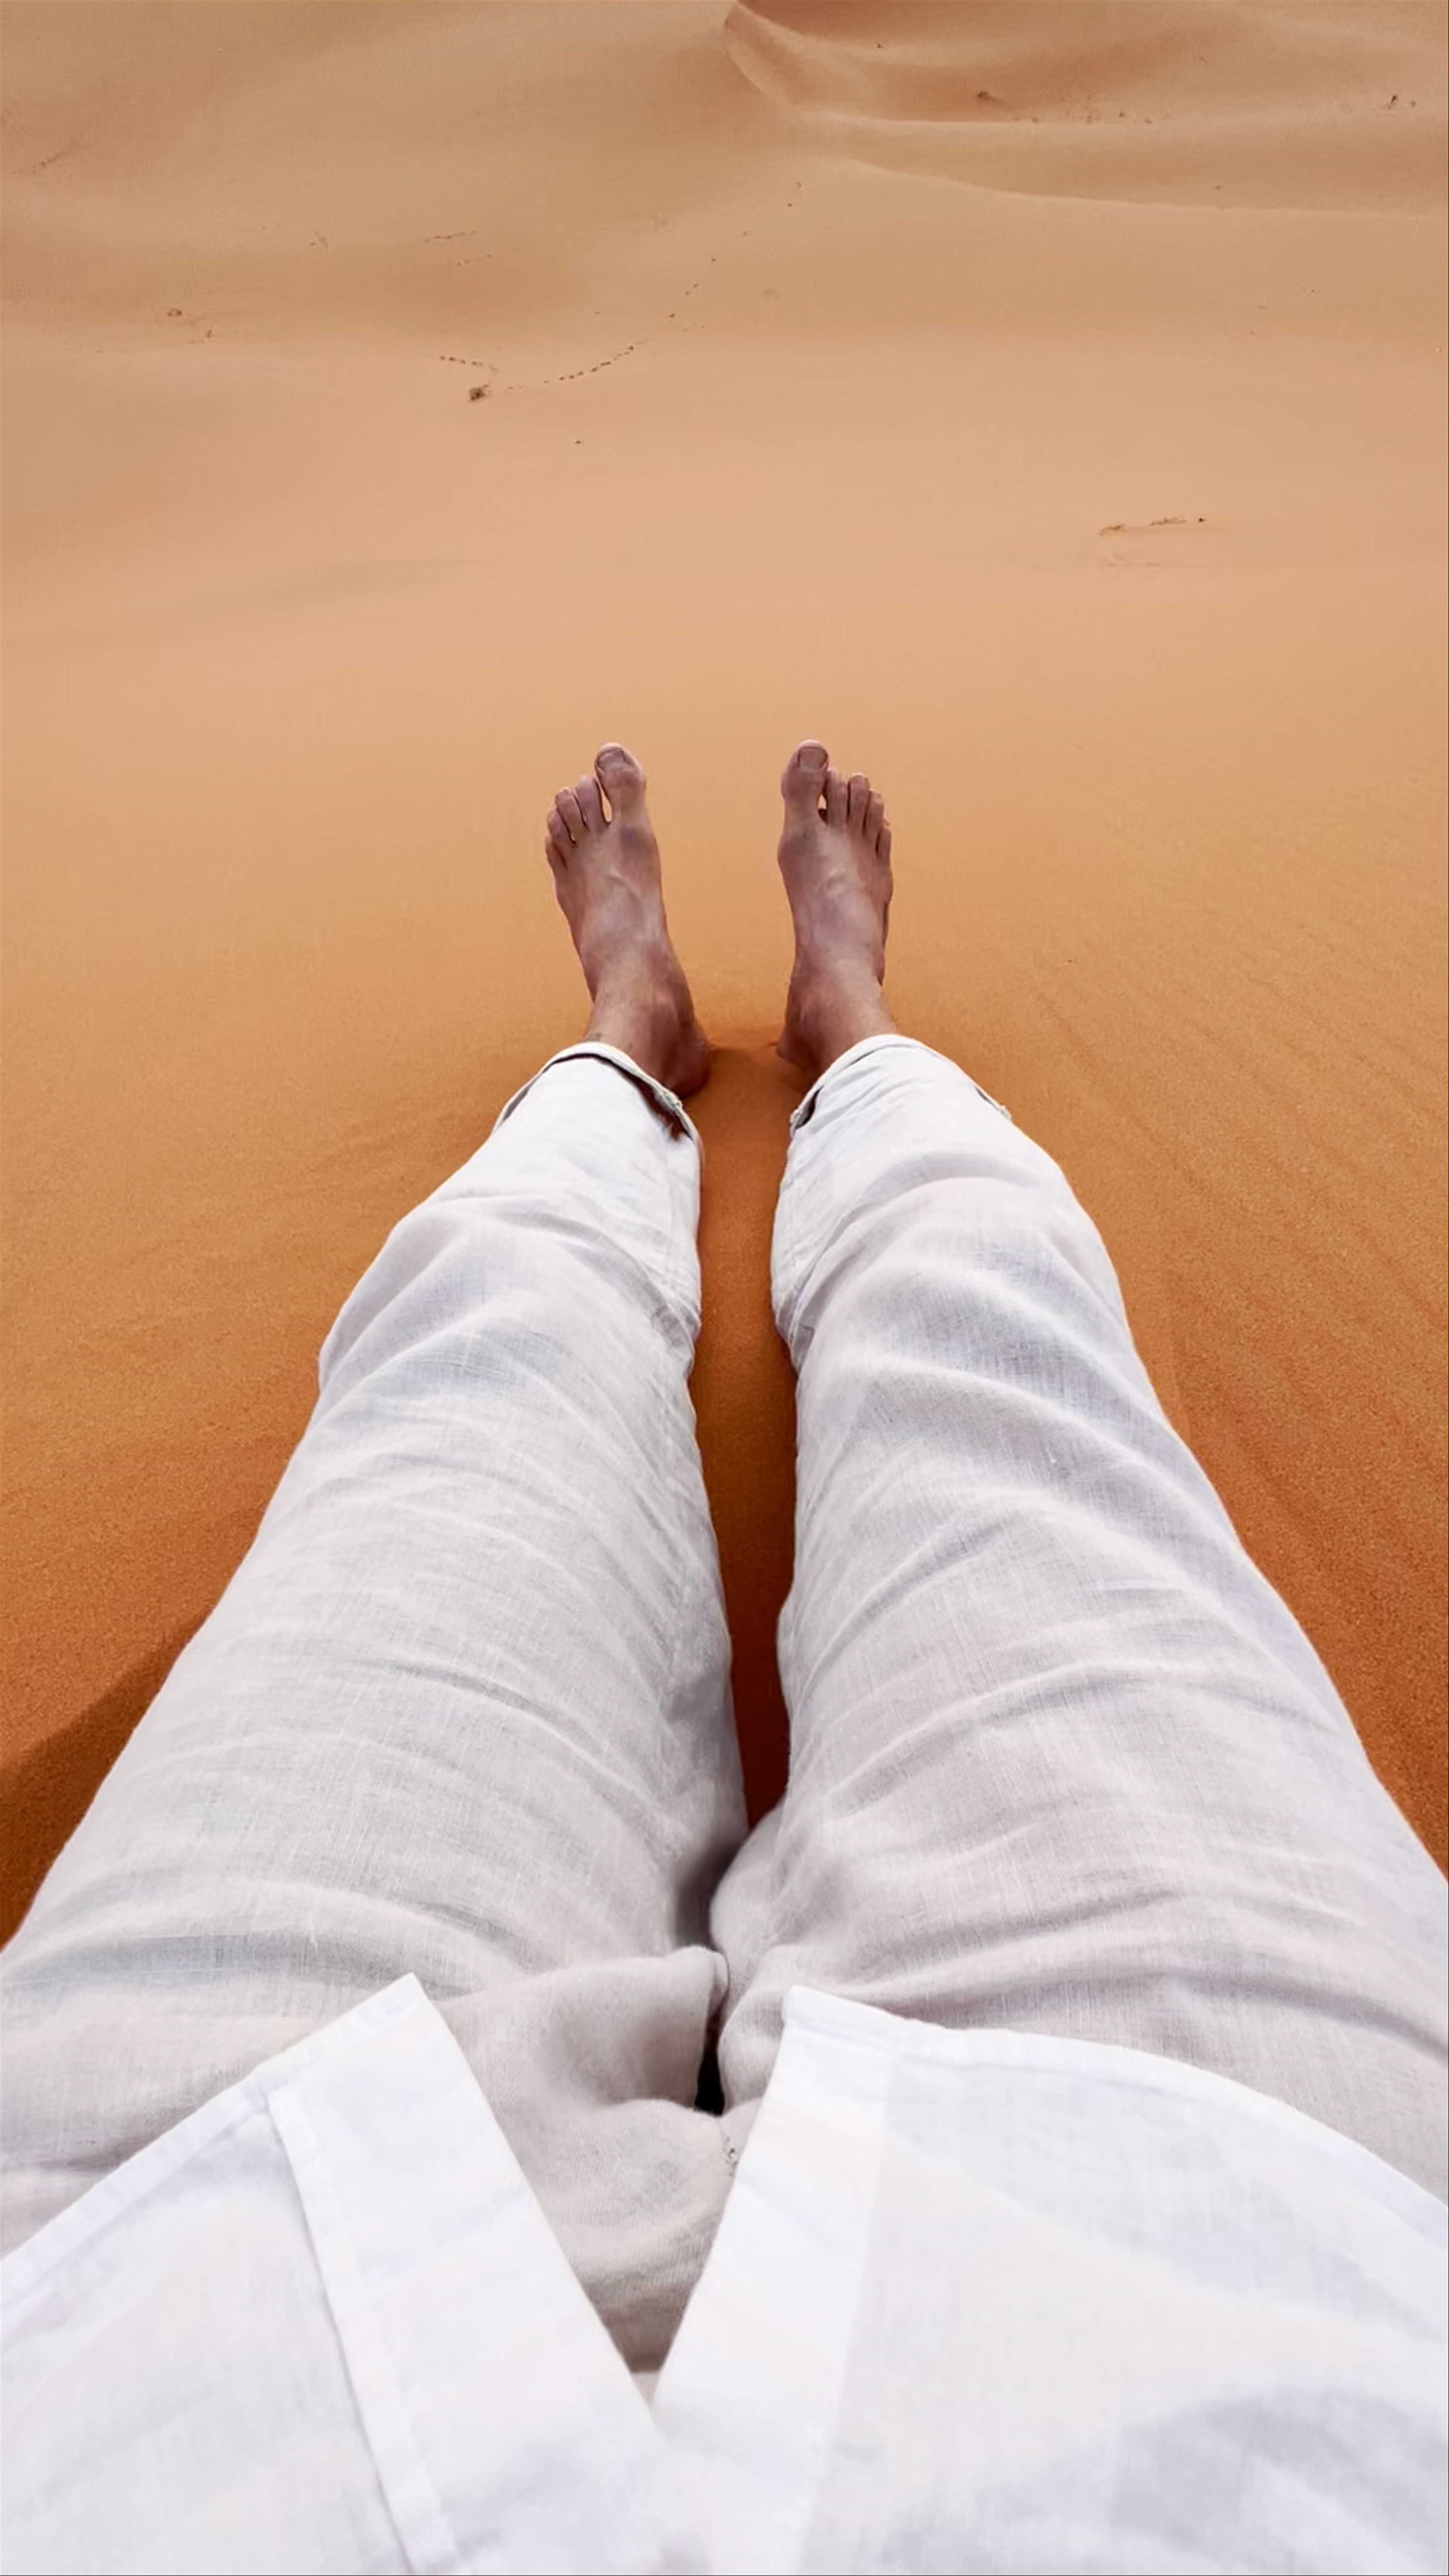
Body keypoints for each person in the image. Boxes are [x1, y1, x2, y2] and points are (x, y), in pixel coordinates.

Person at [2, 741, 1444, 2576]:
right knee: (987, 1321)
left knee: (484, 1339)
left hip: (156, 2315)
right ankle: (855, 1054)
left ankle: (633, 1052)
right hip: (1262, 2261)